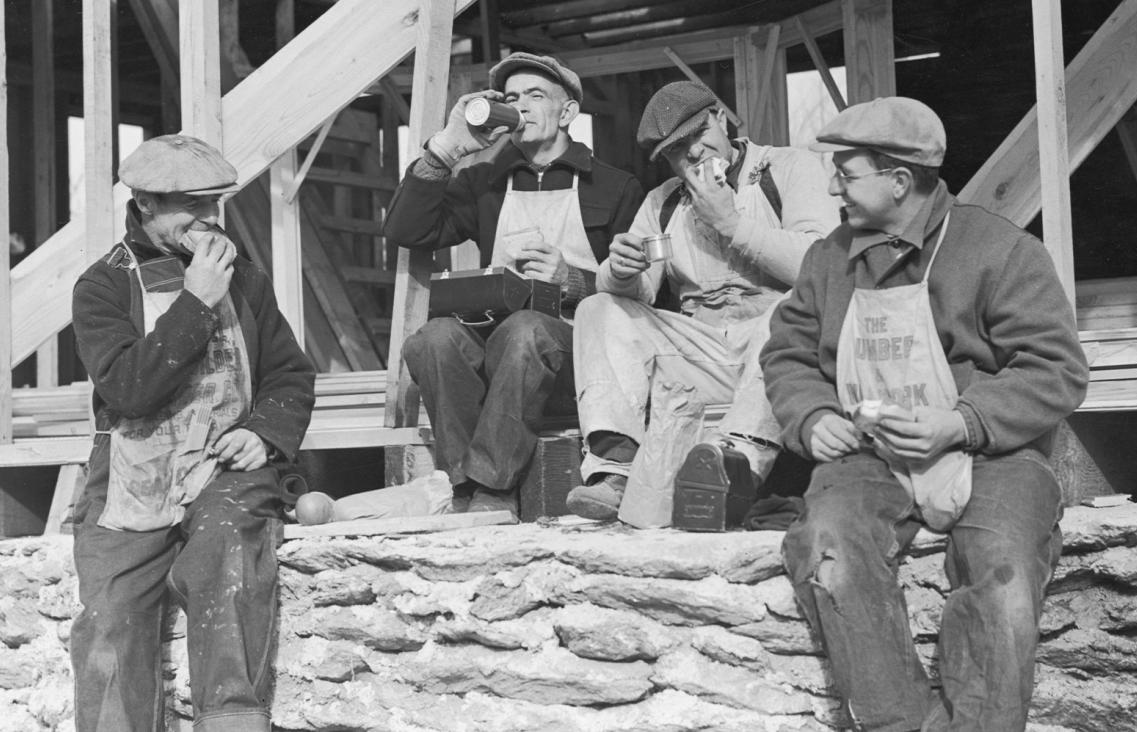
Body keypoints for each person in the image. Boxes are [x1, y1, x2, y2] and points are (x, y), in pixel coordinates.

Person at [760, 96, 1088, 731]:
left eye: (846, 174)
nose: (833, 188)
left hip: (993, 454)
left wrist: (962, 421)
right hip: (868, 455)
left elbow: (1057, 368)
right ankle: (905, 723)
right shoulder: (829, 258)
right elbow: (788, 355)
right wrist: (811, 415)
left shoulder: (999, 249)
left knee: (1005, 574)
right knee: (829, 549)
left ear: (900, 181)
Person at [70, 134, 315, 732]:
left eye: (214, 204)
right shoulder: (102, 286)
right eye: (192, 206)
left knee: (225, 559)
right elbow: (127, 389)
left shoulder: (246, 279)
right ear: (146, 203)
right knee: (109, 612)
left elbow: (290, 372)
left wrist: (266, 432)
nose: (209, 220)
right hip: (133, 466)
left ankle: (233, 720)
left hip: (224, 466)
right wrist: (197, 302)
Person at [383, 52, 644, 517]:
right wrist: (445, 149)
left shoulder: (614, 186)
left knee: (527, 328)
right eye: (511, 98)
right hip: (500, 353)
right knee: (432, 339)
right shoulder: (484, 181)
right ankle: (462, 489)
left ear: (567, 113)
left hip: (578, 364)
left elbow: (646, 297)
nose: (520, 106)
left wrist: (574, 281)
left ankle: (493, 491)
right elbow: (407, 231)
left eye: (535, 95)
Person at [567, 80, 840, 521]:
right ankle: (614, 469)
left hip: (780, 346)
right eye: (676, 151)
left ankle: (735, 468)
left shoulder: (787, 167)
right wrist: (620, 272)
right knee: (597, 307)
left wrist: (731, 223)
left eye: (697, 135)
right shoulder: (664, 202)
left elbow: (821, 268)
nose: (692, 154)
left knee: (791, 307)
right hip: (703, 349)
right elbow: (639, 291)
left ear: (719, 118)